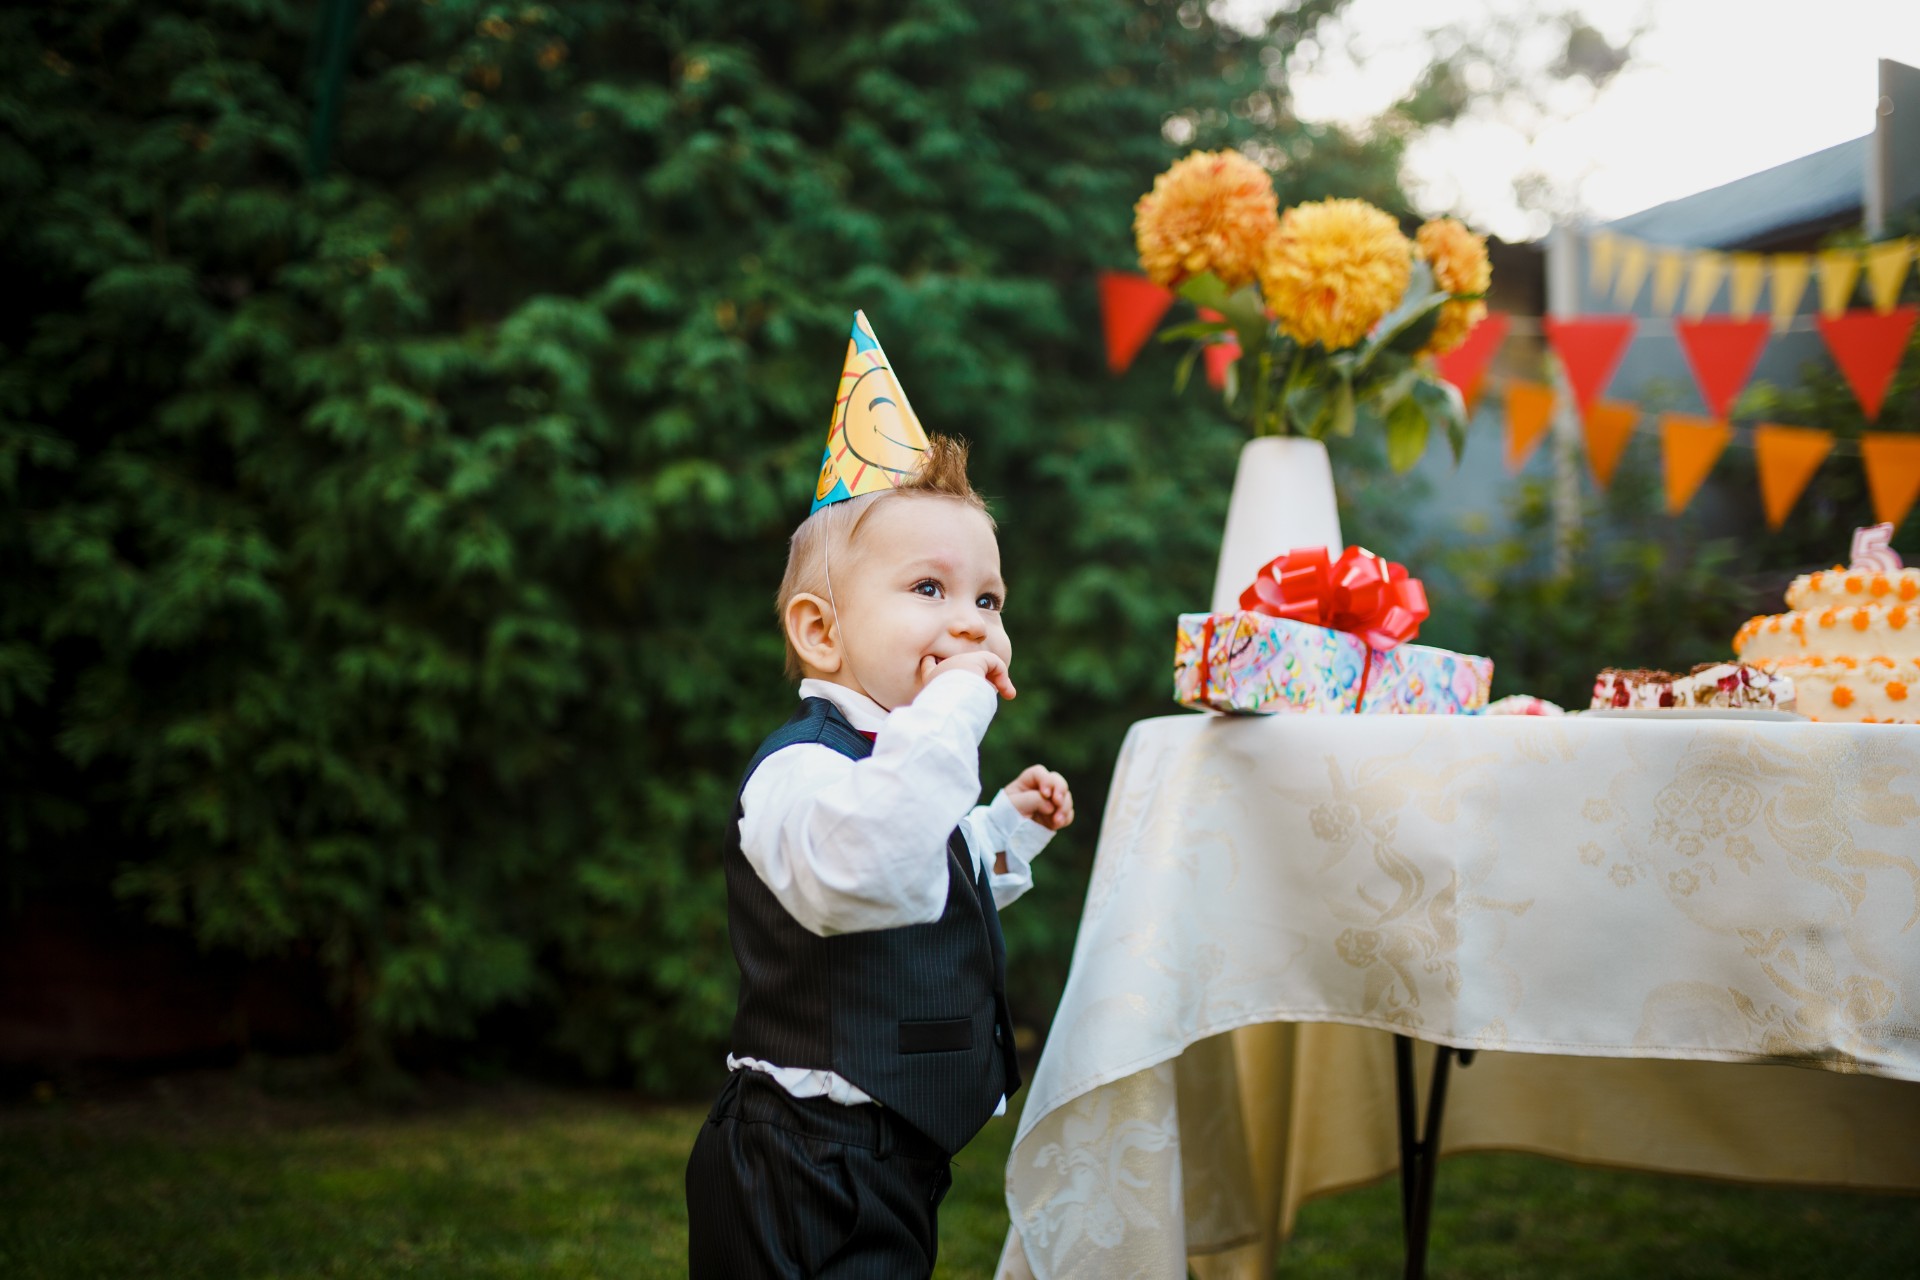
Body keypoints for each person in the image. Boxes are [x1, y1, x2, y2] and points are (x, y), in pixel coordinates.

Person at [685, 313, 1074, 1278]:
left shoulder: (904, 766)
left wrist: (1002, 834)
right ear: (822, 633)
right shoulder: (801, 769)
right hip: (800, 1160)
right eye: (929, 589)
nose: (972, 623)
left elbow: (925, 869)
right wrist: (950, 715)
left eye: (988, 601)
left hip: (893, 1154)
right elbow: (861, 873)